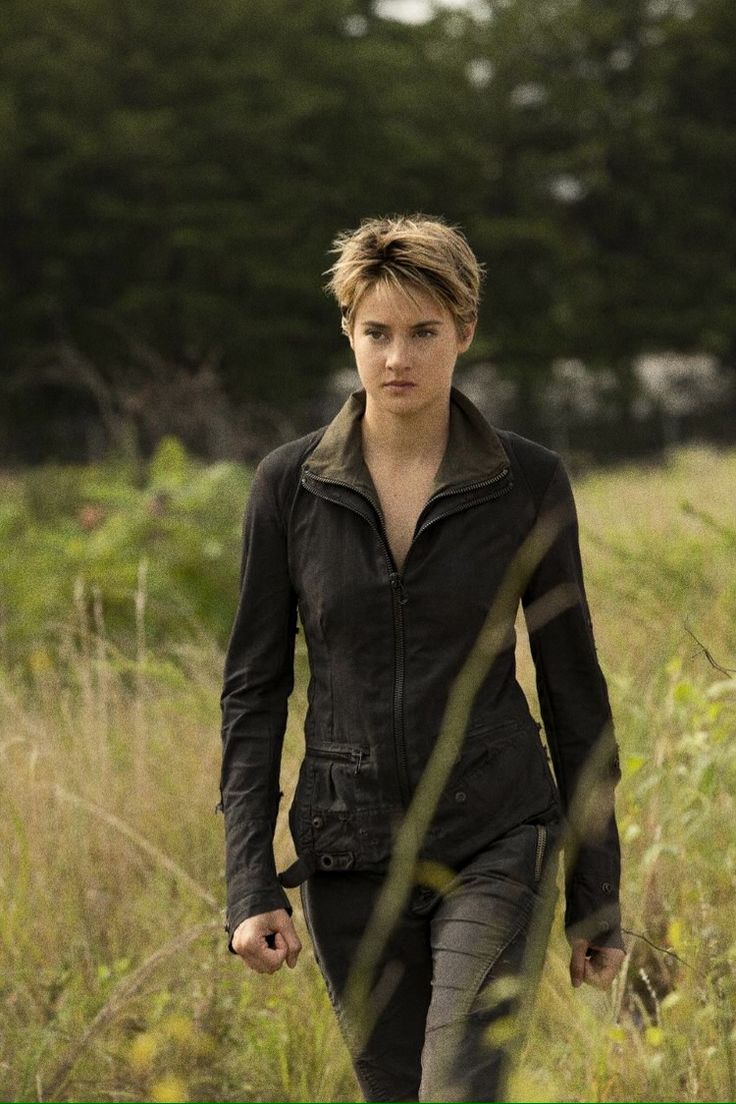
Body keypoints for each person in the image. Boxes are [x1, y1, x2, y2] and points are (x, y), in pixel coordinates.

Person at [219, 214, 625, 1102]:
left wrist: (598, 893)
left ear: (464, 332)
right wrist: (249, 882)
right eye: (377, 333)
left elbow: (573, 690)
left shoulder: (528, 481)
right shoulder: (288, 487)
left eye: (423, 333)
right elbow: (253, 693)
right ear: (348, 332)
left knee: (460, 1090)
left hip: (496, 835)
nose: (397, 357)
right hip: (347, 850)